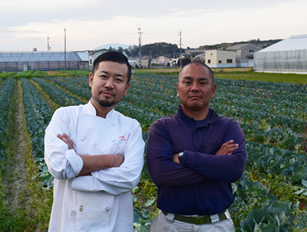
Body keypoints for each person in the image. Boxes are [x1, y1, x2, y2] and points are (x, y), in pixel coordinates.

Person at [44, 51, 145, 232]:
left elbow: (129, 178)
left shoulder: (132, 127)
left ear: (126, 88)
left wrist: (75, 165)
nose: (109, 84)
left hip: (115, 225)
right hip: (70, 224)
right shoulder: (64, 116)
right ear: (91, 79)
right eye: (103, 76)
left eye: (118, 80)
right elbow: (60, 168)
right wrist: (112, 161)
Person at [146, 62, 247, 232]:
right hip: (171, 225)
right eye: (187, 82)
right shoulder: (162, 127)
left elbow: (234, 170)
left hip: (217, 225)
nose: (194, 88)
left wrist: (184, 158)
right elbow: (161, 174)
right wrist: (216, 162)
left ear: (213, 90)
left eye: (202, 82)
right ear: (178, 89)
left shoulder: (229, 126)